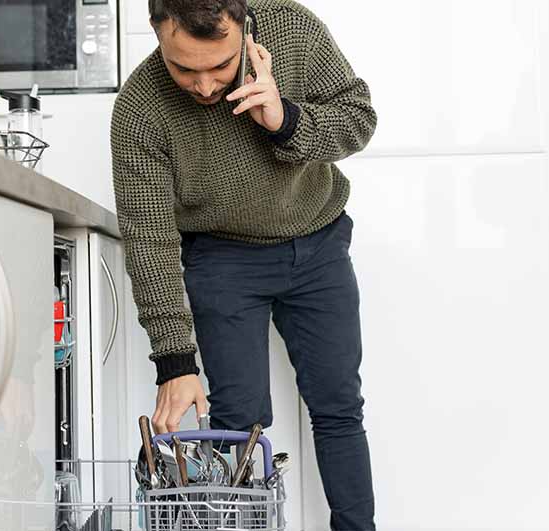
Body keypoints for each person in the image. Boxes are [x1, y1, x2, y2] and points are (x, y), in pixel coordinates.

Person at [110, 0, 378, 529]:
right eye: (183, 68)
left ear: (244, 25)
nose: (205, 86)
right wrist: (175, 362)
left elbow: (358, 119)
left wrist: (286, 120)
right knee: (237, 422)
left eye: (220, 65)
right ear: (157, 30)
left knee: (338, 406)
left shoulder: (291, 28)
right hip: (223, 258)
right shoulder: (139, 109)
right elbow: (149, 238)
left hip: (317, 245)